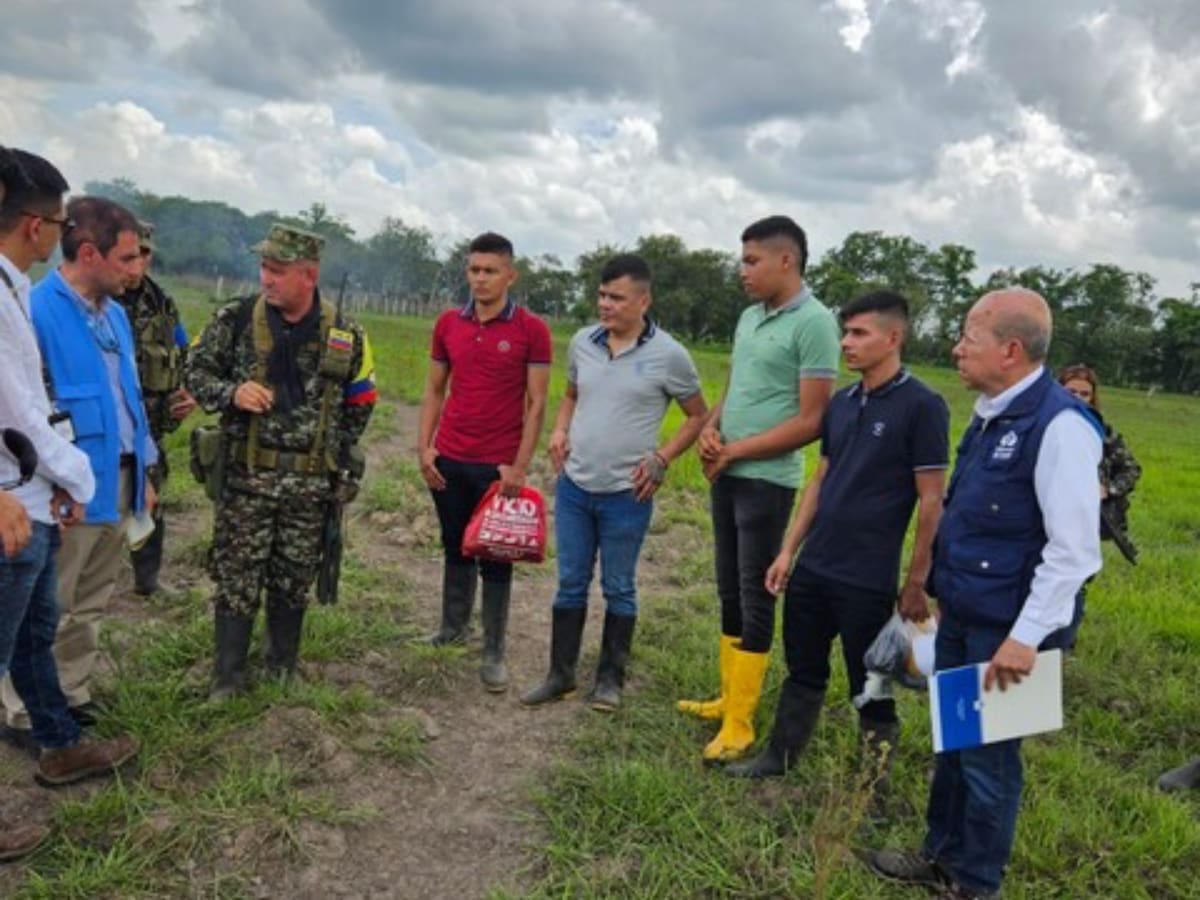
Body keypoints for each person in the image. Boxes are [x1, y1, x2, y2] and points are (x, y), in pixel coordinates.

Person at [869, 288, 1103, 900]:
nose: (957, 347)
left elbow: (1073, 551)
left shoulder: (1060, 426)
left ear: (1011, 349)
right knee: (954, 742)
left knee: (989, 761)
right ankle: (939, 856)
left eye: (969, 337)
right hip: (966, 615)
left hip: (1010, 632)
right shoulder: (991, 410)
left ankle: (976, 884)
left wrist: (1025, 639)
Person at [725, 291, 949, 804]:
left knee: (869, 682)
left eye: (859, 333)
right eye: (845, 332)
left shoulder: (923, 406)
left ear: (893, 338)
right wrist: (787, 552)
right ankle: (777, 757)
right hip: (815, 567)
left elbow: (931, 502)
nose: (846, 342)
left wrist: (916, 583)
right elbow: (821, 480)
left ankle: (873, 787)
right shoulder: (844, 404)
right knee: (803, 666)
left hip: (867, 578)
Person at [0, 149, 138, 859]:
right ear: (35, 225)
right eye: (54, 220)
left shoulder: (14, 289)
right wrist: (70, 479)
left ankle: (57, 743)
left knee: (35, 634)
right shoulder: (15, 298)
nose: (54, 233)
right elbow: (20, 408)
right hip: (12, 504)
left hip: (36, 492)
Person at [185, 223, 376, 699]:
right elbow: (195, 369)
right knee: (237, 578)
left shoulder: (345, 332)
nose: (266, 279)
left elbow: (362, 397)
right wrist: (231, 392)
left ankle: (281, 666)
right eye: (264, 268)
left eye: (277, 270)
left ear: (308, 275)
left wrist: (333, 454)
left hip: (309, 489)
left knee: (293, 579)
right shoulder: (235, 319)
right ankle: (227, 678)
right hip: (248, 480)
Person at [677, 215, 839, 762]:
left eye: (751, 261)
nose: (741, 271)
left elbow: (814, 419)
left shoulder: (814, 323)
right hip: (729, 471)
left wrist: (738, 451)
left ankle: (742, 723)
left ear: (786, 261)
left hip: (767, 481)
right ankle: (729, 698)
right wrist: (712, 430)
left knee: (754, 593)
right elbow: (736, 388)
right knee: (728, 587)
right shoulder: (750, 317)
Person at [520, 254, 708, 711]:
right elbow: (570, 395)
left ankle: (610, 679)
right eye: (601, 295)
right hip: (574, 488)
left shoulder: (670, 355)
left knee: (619, 586)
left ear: (643, 301)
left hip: (627, 494)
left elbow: (698, 415)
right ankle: (560, 675)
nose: (605, 305)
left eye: (616, 298)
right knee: (570, 582)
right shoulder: (584, 341)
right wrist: (561, 430)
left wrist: (662, 459)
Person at [2, 194, 159, 738]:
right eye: (126, 258)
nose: (136, 269)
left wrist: (147, 469)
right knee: (49, 603)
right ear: (89, 253)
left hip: (119, 475)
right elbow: (24, 410)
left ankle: (71, 691)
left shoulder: (115, 315)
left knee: (91, 599)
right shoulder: (37, 310)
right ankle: (25, 711)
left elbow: (129, 397)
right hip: (62, 484)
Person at [417, 232, 551, 692]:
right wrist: (424, 447)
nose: (480, 278)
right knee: (454, 546)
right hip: (449, 457)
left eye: (490, 270)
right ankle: (452, 627)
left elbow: (536, 404)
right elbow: (435, 389)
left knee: (496, 554)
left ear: (510, 275)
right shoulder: (448, 323)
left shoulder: (531, 330)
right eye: (474, 269)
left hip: (497, 467)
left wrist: (518, 465)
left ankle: (494, 649)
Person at [115, 220, 196, 596]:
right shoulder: (96, 296)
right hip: (106, 422)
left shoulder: (161, 301)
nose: (139, 262)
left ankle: (146, 580)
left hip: (150, 424)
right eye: (133, 252)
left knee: (150, 496)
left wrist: (186, 392)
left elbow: (181, 352)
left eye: (146, 253)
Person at [1054, 363, 1141, 648]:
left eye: (1085, 393)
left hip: (1085, 519)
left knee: (1075, 582)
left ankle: (1062, 646)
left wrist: (1108, 489)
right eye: (1071, 391)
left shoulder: (1102, 431)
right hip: (1045, 517)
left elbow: (1131, 469)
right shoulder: (1042, 425)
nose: (1078, 398)